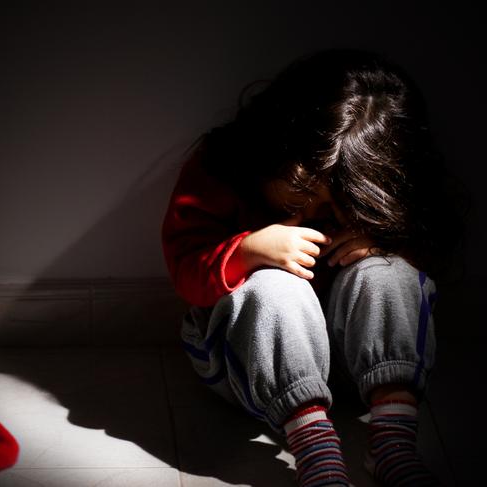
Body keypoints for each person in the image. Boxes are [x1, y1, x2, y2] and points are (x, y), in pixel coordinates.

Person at [161, 48, 464, 487]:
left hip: (352, 365)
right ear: (275, 147)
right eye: (303, 194)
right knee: (273, 288)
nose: (313, 211)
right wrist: (247, 251)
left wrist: (383, 241)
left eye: (332, 205)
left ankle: (392, 445)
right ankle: (316, 452)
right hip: (247, 361)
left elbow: (430, 257)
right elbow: (184, 268)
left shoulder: (378, 189)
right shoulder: (221, 166)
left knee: (389, 272)